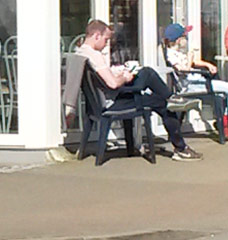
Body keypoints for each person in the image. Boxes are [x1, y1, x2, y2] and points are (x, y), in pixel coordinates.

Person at [75, 19, 199, 164]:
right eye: (106, 39)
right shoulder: (95, 55)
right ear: (96, 36)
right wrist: (125, 77)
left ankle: (172, 99)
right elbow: (113, 84)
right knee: (163, 102)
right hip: (113, 102)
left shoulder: (81, 52)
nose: (106, 44)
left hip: (98, 102)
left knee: (146, 73)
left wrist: (118, 72)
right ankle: (181, 148)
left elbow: (104, 79)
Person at [161, 23, 228, 143]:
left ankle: (226, 128)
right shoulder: (171, 55)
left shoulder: (179, 53)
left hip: (197, 82)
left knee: (224, 94)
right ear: (179, 40)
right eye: (185, 37)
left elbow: (194, 63)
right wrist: (190, 57)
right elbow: (183, 70)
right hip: (192, 86)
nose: (187, 40)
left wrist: (208, 64)